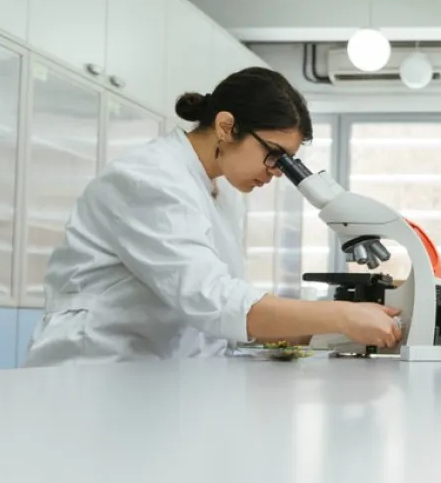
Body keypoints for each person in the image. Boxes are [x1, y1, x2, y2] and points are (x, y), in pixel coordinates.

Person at [24, 67, 403, 367]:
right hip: (97, 369)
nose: (276, 171)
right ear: (226, 126)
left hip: (163, 375)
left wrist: (327, 332)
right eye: (274, 155)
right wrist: (340, 316)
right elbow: (214, 301)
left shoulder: (222, 191)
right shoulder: (150, 179)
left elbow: (225, 313)